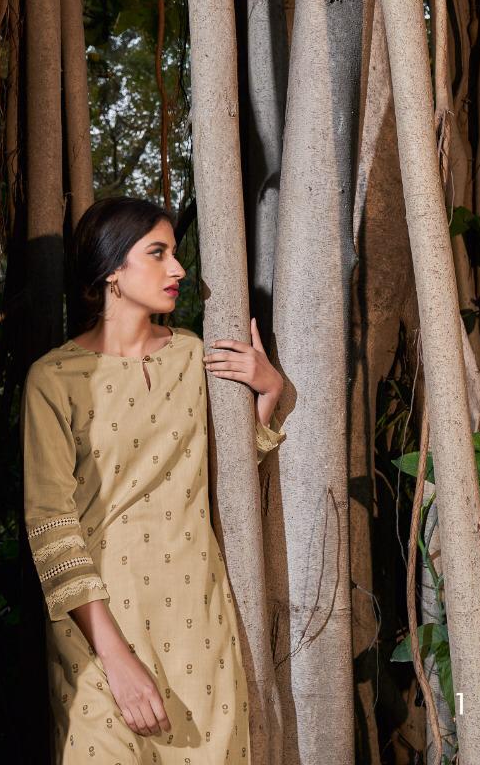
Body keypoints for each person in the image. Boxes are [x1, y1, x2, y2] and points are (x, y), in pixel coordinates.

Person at [20, 196, 287, 763]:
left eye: (176, 253)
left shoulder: (194, 356)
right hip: (96, 628)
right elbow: (50, 525)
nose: (179, 268)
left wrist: (269, 393)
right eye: (158, 253)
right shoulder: (54, 378)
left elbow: (226, 476)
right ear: (112, 271)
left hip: (197, 619)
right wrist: (115, 659)